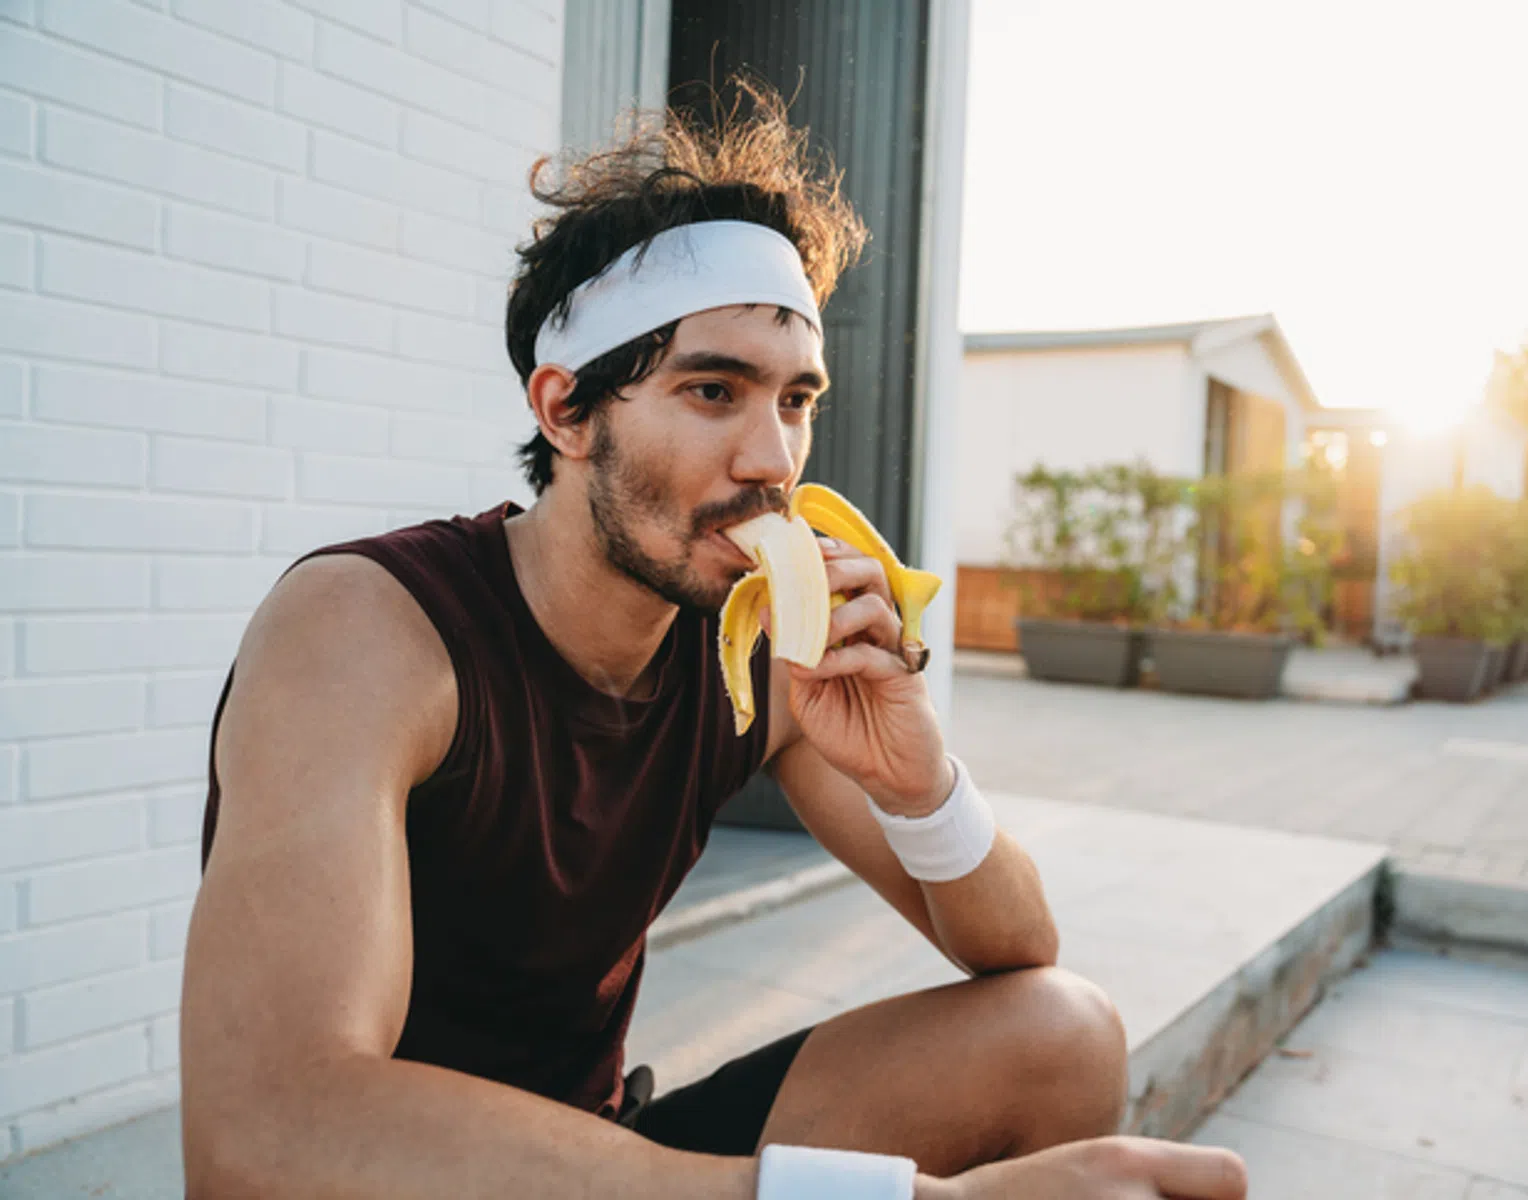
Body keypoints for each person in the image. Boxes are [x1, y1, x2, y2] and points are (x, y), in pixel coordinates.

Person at [179, 85, 1249, 1200]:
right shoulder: (367, 626)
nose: (770, 460)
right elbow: (264, 1134)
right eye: (711, 390)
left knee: (1057, 1030)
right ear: (565, 411)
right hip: (388, 1173)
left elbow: (1016, 950)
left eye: (793, 401)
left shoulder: (753, 651)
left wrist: (919, 779)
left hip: (602, 1153)